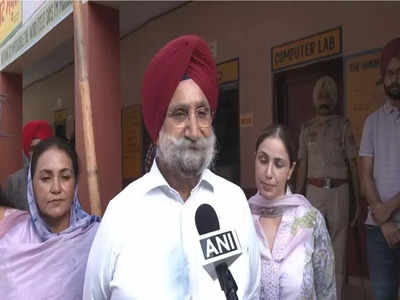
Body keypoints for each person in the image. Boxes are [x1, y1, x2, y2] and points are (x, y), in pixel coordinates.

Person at [83, 34, 260, 300]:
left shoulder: (233, 202)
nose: (193, 129)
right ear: (157, 126)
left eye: (202, 112)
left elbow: (252, 293)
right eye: (180, 113)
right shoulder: (121, 214)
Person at [0, 137, 100, 299]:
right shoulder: (9, 244)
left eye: (65, 177)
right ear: (31, 185)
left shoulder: (96, 240)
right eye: (46, 178)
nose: (56, 188)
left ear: (75, 184)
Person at [250, 124, 336, 300]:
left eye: (279, 164)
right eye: (263, 160)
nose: (268, 173)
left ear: (290, 170)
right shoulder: (240, 217)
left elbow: (327, 291)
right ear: (255, 160)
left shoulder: (311, 220)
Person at [294, 75, 360, 299]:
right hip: (313, 192)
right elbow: (302, 165)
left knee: (338, 252)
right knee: (312, 248)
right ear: (314, 99)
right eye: (320, 95)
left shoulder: (344, 126)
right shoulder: (307, 127)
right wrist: (298, 197)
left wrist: (358, 201)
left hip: (340, 192)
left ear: (334, 99)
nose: (324, 98)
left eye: (328, 94)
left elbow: (353, 163)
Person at [359, 37, 400, 300]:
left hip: (383, 217)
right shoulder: (371, 123)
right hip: (378, 231)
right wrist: (383, 220)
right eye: (391, 73)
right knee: (382, 295)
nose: (395, 78)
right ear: (384, 77)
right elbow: (365, 175)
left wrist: (389, 208)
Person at [4, 120, 53, 210]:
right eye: (33, 148)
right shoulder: (14, 182)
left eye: (42, 147)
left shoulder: (62, 178)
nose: (38, 152)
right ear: (27, 151)